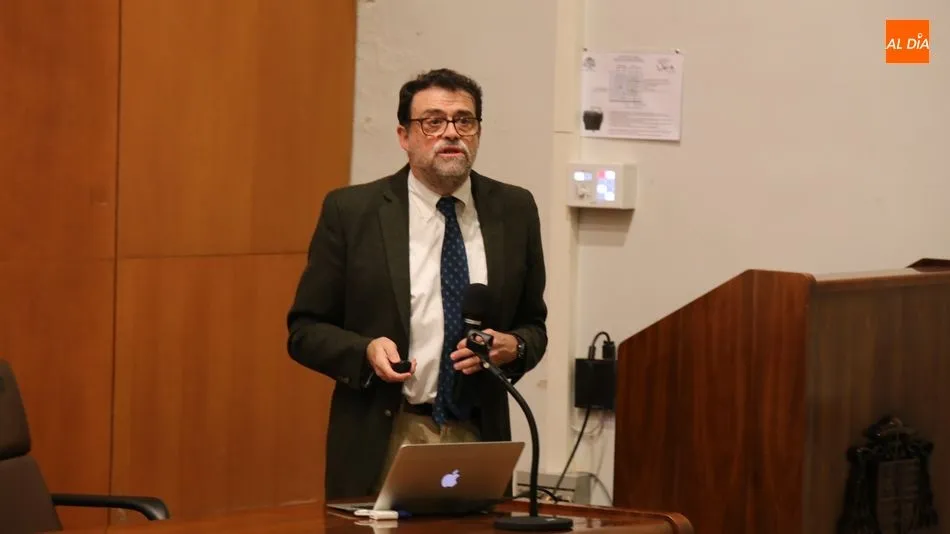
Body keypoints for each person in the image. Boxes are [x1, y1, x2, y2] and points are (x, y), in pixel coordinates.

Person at [286, 68, 548, 500]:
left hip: (479, 432)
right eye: (433, 121)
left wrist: (514, 347)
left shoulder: (514, 210)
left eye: (464, 121)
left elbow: (533, 326)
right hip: (389, 429)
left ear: (478, 132)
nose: (451, 133)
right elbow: (305, 331)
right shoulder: (353, 212)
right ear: (404, 136)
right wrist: (364, 351)